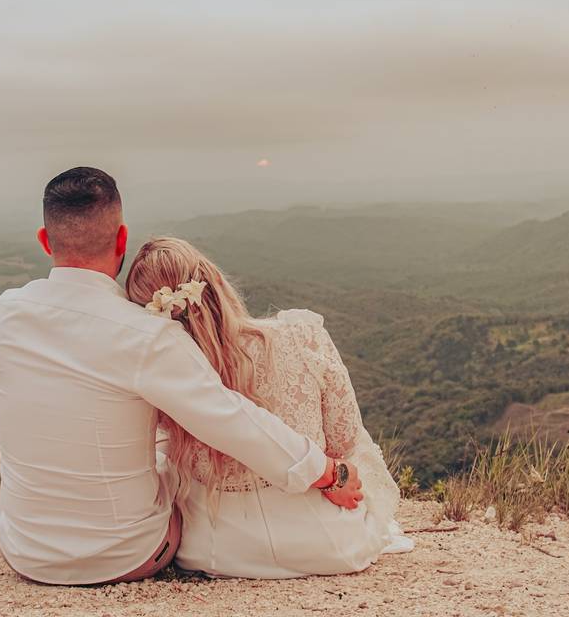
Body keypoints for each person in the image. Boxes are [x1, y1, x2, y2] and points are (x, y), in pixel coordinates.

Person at [0, 167, 363, 585]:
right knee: (181, 478)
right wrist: (328, 472)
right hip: (122, 555)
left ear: (44, 240)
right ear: (122, 238)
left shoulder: (5, 314)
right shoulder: (145, 335)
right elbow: (231, 419)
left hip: (24, 551)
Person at [125, 237, 414, 578]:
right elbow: (344, 439)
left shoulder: (158, 373)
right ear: (214, 282)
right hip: (327, 543)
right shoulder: (301, 337)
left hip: (213, 550)